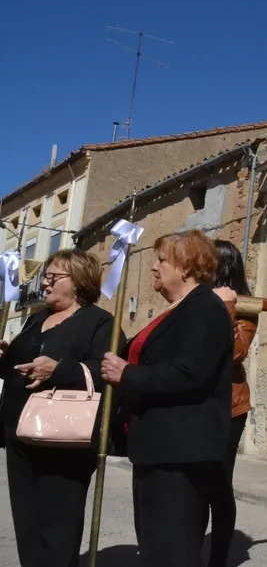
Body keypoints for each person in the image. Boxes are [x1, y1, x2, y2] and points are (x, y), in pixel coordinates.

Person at [101, 230, 234, 567]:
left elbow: (190, 372)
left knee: (173, 549)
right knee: (156, 545)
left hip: (181, 452)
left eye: (162, 260)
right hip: (156, 448)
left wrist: (127, 375)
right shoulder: (177, 310)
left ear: (186, 267)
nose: (154, 268)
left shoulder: (205, 309)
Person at [0, 249, 121, 567]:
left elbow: (106, 370)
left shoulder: (100, 323)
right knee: (27, 527)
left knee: (58, 528)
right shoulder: (35, 319)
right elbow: (17, 367)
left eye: (55, 276)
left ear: (79, 281)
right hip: (20, 434)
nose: (46, 282)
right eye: (46, 275)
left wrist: (60, 370)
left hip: (64, 439)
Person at [205, 239, 257, 567]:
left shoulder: (244, 306)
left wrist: (225, 306)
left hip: (228, 407)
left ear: (222, 266)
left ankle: (218, 559)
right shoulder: (197, 301)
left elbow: (236, 352)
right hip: (196, 405)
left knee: (219, 485)